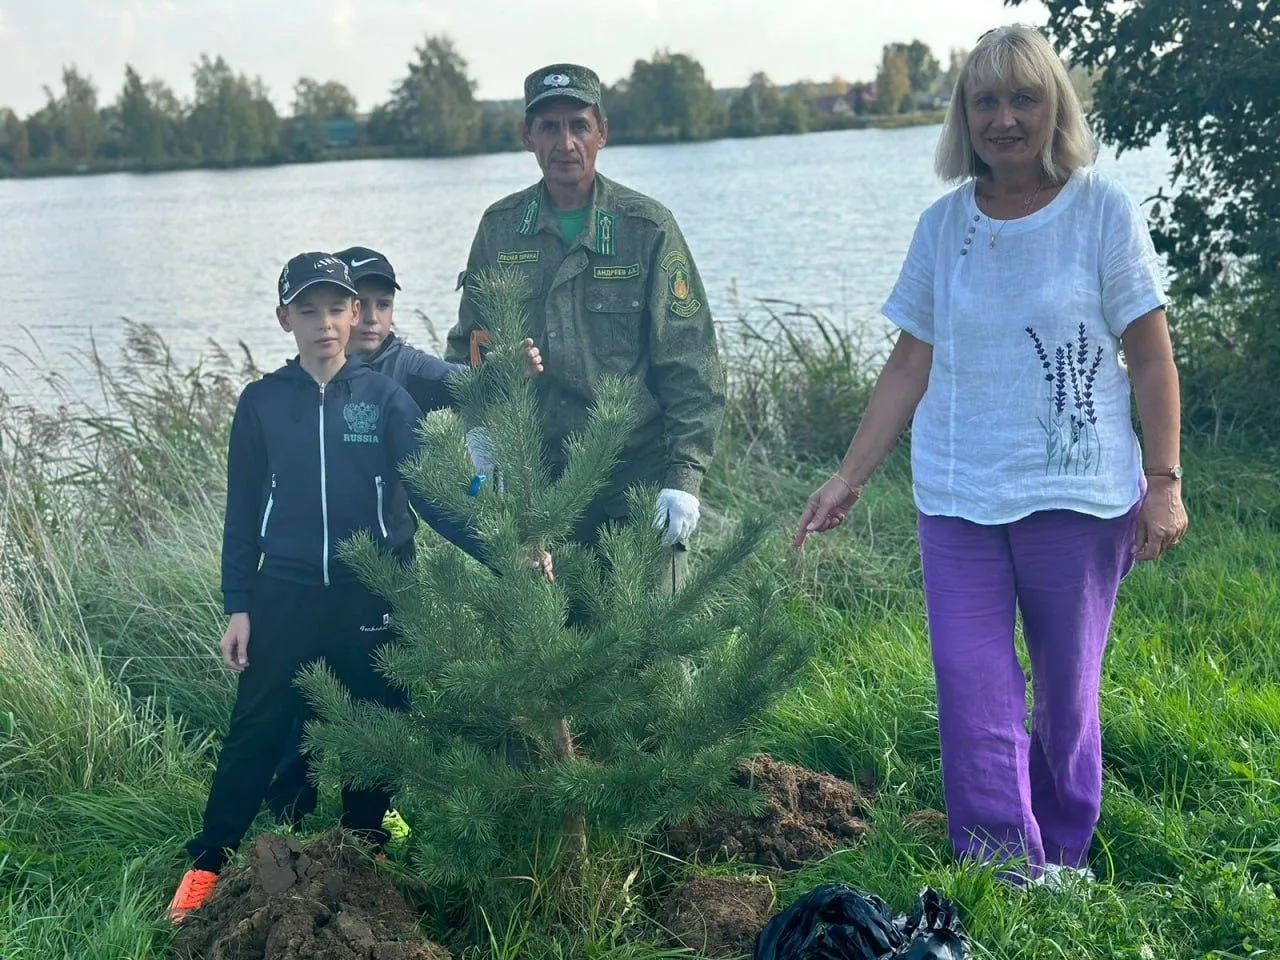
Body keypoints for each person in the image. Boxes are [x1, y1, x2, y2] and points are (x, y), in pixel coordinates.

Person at [794, 25, 1188, 886]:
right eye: (986, 101)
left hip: (1076, 495)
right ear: (963, 118)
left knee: (1064, 697)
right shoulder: (943, 227)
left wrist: (1163, 481)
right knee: (973, 689)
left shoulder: (1101, 210)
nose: (1004, 118)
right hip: (957, 495)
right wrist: (847, 477)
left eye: (1023, 98)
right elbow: (909, 362)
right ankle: (1004, 866)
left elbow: (1152, 356)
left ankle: (1066, 851)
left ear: (1055, 108)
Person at [166, 253, 551, 923]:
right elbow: (240, 513)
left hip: (372, 592)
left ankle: (365, 852)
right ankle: (206, 863)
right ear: (284, 318)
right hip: (281, 594)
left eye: (337, 309)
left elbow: (438, 489)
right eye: (308, 310)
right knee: (254, 731)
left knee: (381, 724)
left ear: (353, 316)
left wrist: (504, 546)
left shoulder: (384, 399)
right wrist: (238, 605)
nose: (325, 324)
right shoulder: (261, 404)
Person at [261, 246, 545, 832]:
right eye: (355, 305)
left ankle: (370, 830)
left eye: (381, 305)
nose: (367, 318)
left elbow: (464, 387)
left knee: (380, 696)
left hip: (384, 572)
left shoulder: (406, 369)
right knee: (300, 698)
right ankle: (287, 822)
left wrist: (504, 371)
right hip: (306, 578)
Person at [445, 63, 725, 591]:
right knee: (554, 660)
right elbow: (472, 350)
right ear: (527, 137)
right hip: (540, 492)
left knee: (653, 655)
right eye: (549, 127)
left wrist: (684, 479)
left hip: (637, 482)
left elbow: (692, 363)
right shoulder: (500, 230)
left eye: (578, 124)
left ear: (603, 132)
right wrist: (482, 443)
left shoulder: (646, 228)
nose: (565, 142)